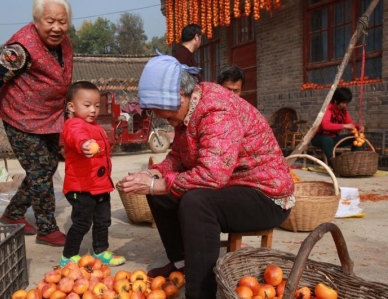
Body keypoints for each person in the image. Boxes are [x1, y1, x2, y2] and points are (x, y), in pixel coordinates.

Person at [119, 55, 295, 299]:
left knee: (197, 203)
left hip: (264, 196)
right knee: (160, 195)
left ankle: (201, 291)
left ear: (180, 94)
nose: (167, 121)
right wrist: (153, 173)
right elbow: (178, 157)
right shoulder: (187, 110)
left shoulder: (217, 110)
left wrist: (155, 183)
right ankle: (183, 266)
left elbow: (212, 176)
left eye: (167, 115)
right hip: (231, 186)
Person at [0, 0, 73, 246]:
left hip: (50, 116)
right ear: (36, 21)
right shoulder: (19, 49)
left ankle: (13, 213)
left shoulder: (64, 43)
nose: (56, 27)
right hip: (20, 116)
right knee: (40, 172)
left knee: (47, 167)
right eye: (49, 21)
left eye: (62, 22)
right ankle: (47, 228)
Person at [59, 81, 126, 267]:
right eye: (87, 105)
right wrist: (84, 145)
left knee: (103, 221)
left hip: (100, 186)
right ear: (71, 107)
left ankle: (101, 250)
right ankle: (68, 256)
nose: (93, 110)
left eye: (97, 106)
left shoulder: (96, 126)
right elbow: (76, 137)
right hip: (81, 188)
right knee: (81, 223)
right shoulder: (73, 125)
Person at [311, 87, 364, 168]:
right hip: (319, 139)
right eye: (342, 103)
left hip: (334, 139)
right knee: (327, 139)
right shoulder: (328, 109)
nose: (344, 105)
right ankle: (332, 163)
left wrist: (358, 127)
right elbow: (326, 125)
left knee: (356, 138)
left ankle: (355, 162)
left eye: (346, 103)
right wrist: (344, 126)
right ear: (335, 100)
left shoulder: (343, 111)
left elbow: (350, 124)